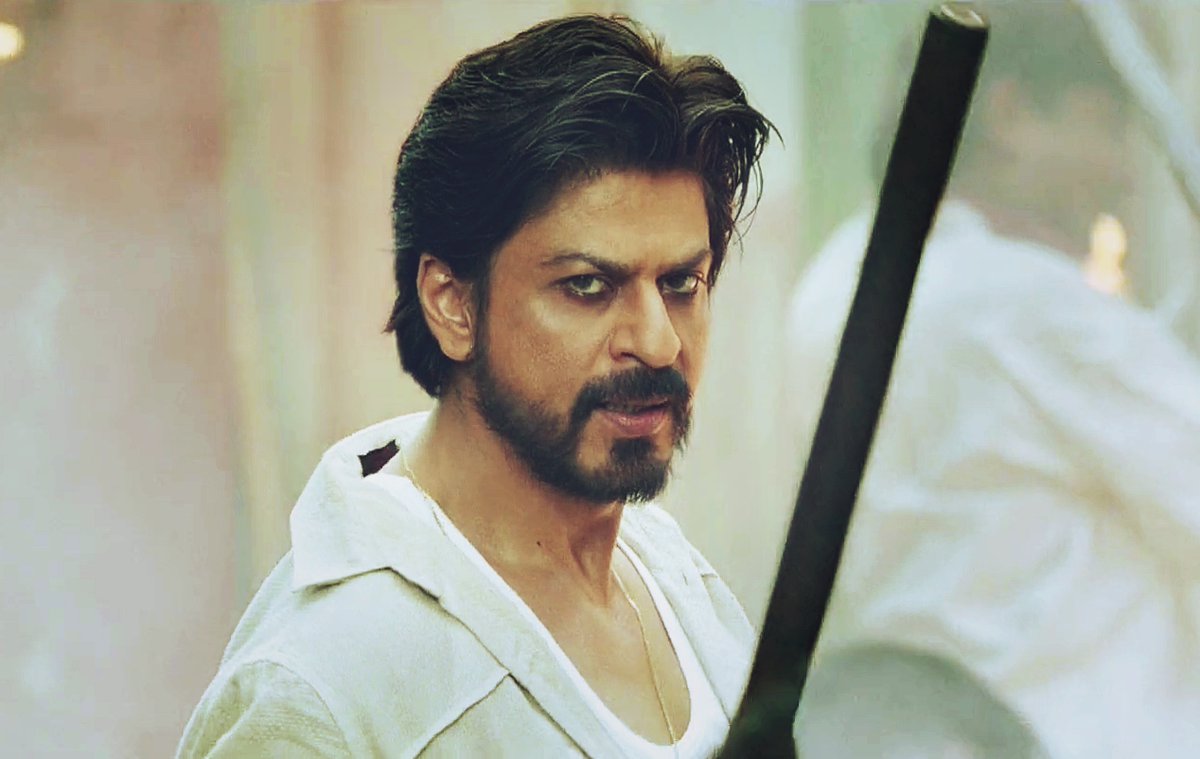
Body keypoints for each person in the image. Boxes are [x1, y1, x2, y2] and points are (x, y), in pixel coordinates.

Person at [177, 14, 772, 758]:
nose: (658, 342)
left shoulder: (680, 583)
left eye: (682, 282)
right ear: (453, 304)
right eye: (588, 286)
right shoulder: (325, 689)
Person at [787, 5, 1200, 758]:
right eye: (1106, 128)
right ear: (1010, 115)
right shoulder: (1028, 307)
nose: (1121, 173)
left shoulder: (837, 280)